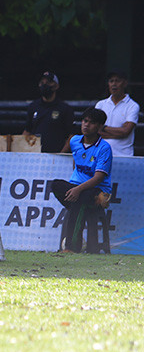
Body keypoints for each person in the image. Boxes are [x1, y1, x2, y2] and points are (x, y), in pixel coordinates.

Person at [51, 108, 113, 253]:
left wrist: (78, 189)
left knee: (79, 200)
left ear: (99, 127)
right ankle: (90, 200)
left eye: (91, 123)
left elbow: (99, 177)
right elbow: (76, 162)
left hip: (98, 189)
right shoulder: (74, 141)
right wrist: (76, 186)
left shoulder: (104, 148)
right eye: (85, 121)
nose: (86, 125)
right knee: (55, 185)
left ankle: (71, 248)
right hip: (78, 188)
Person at [22, 71, 74, 153]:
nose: (44, 85)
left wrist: (61, 154)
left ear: (56, 86)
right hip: (35, 155)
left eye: (49, 82)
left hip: (56, 155)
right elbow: (27, 131)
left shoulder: (65, 109)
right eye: (42, 82)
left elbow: (71, 135)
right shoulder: (33, 106)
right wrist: (21, 151)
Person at [95, 71, 139, 157]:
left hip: (123, 156)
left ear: (125, 83)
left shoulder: (133, 106)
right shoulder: (100, 104)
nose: (114, 84)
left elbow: (126, 131)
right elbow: (95, 130)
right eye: (111, 81)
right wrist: (119, 133)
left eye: (117, 81)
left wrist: (104, 128)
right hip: (100, 155)